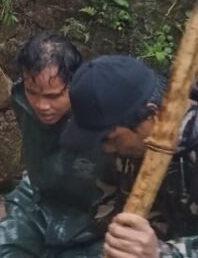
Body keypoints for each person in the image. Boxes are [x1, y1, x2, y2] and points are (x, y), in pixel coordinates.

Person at [0, 33, 109, 257]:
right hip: (36, 200)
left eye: (53, 96)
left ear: (74, 84)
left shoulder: (104, 122)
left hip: (90, 227)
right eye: (34, 93)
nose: (42, 105)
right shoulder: (21, 97)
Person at [61, 55, 198, 257]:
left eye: (110, 139)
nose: (107, 149)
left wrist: (163, 253)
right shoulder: (127, 149)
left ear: (151, 116)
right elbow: (106, 200)